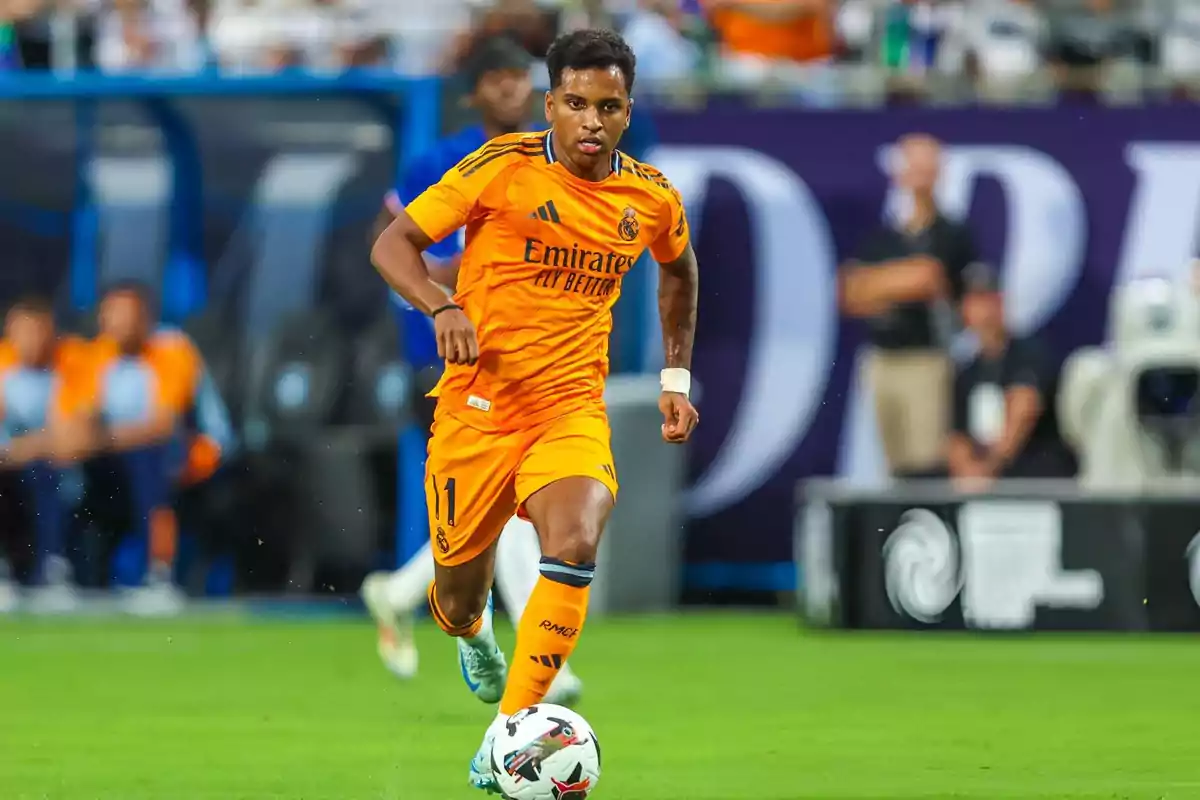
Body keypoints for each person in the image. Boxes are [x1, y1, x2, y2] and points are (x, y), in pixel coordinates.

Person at [371, 27, 699, 793]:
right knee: (456, 595)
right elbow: (395, 243)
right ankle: (473, 631)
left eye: (609, 107)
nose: (591, 121)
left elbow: (679, 270)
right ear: (549, 103)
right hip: (478, 408)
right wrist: (439, 304)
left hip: (569, 408)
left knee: (576, 539)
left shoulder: (649, 196)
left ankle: (505, 736)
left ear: (627, 111)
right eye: (576, 104)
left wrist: (675, 379)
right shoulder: (500, 167)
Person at [360, 33, 584, 707]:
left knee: (500, 503)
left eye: (522, 78)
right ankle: (544, 664)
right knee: (508, 500)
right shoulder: (440, 160)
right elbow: (398, 248)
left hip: (527, 353)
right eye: (500, 79)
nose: (512, 88)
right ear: (476, 91)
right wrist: (462, 285)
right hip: (452, 352)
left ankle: (398, 593)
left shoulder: (554, 161)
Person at [840, 133, 979, 478]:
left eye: (926, 167)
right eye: (912, 166)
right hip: (883, 359)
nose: (919, 175)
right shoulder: (885, 237)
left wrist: (878, 284)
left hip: (926, 358)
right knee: (893, 464)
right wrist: (897, 282)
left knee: (926, 462)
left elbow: (927, 277)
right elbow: (850, 293)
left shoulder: (950, 233)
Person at [948, 263, 1075, 488]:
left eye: (988, 299)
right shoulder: (966, 372)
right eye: (974, 301)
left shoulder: (1028, 354)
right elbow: (956, 437)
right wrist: (967, 472)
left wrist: (989, 468)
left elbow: (1023, 409)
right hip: (984, 480)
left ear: (1001, 302)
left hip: (1032, 474)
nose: (983, 309)